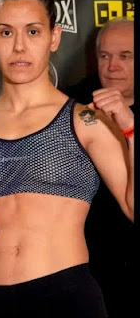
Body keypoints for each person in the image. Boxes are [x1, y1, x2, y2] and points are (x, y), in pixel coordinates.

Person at [0, 0, 134, 318]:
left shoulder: (86, 121)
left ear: (54, 37)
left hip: (65, 298)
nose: (19, 47)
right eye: (6, 32)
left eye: (32, 31)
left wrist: (130, 130)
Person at [65, 17, 134, 318]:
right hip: (87, 266)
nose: (112, 66)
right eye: (105, 56)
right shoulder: (73, 107)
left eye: (125, 56)